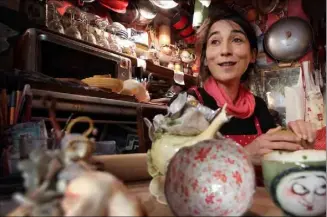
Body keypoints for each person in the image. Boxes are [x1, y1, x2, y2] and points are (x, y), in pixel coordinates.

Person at [182, 7, 316, 168]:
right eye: (215, 42)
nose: (225, 50)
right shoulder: (189, 103)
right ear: (205, 59)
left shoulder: (258, 107)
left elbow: (276, 159)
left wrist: (298, 143)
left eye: (237, 40)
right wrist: (244, 155)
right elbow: (178, 167)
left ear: (252, 55)